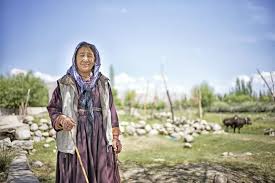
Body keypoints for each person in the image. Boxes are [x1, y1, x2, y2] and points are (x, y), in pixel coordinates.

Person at [47, 41, 122, 183]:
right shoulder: (64, 83)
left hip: (100, 137)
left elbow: (111, 111)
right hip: (75, 135)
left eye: (89, 55)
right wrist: (62, 120)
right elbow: (54, 109)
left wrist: (115, 137)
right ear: (75, 59)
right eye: (81, 55)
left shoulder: (103, 83)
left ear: (95, 60)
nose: (85, 59)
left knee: (103, 175)